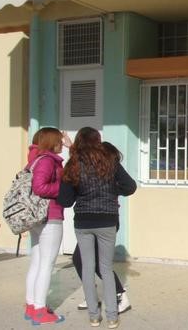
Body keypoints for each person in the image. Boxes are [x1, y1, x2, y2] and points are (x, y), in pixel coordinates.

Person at [58, 128, 136, 329]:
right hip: (107, 221)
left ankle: (94, 317)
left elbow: (65, 201)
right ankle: (112, 317)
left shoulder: (73, 164)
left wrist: (77, 192)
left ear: (78, 142)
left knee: (87, 268)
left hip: (83, 222)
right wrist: (111, 191)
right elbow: (130, 186)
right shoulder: (110, 162)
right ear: (98, 141)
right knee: (106, 269)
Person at [73, 142, 131, 313]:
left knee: (96, 262)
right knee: (80, 259)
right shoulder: (93, 167)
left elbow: (130, 186)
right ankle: (92, 295)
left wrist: (113, 190)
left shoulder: (108, 166)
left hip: (105, 221)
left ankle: (120, 295)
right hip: (92, 221)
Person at [24, 127, 67, 325]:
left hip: (37, 217)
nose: (61, 144)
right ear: (51, 142)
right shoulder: (47, 161)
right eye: (59, 140)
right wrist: (63, 186)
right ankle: (40, 310)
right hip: (49, 216)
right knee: (46, 264)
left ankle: (31, 305)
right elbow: (39, 187)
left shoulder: (35, 158)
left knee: (37, 262)